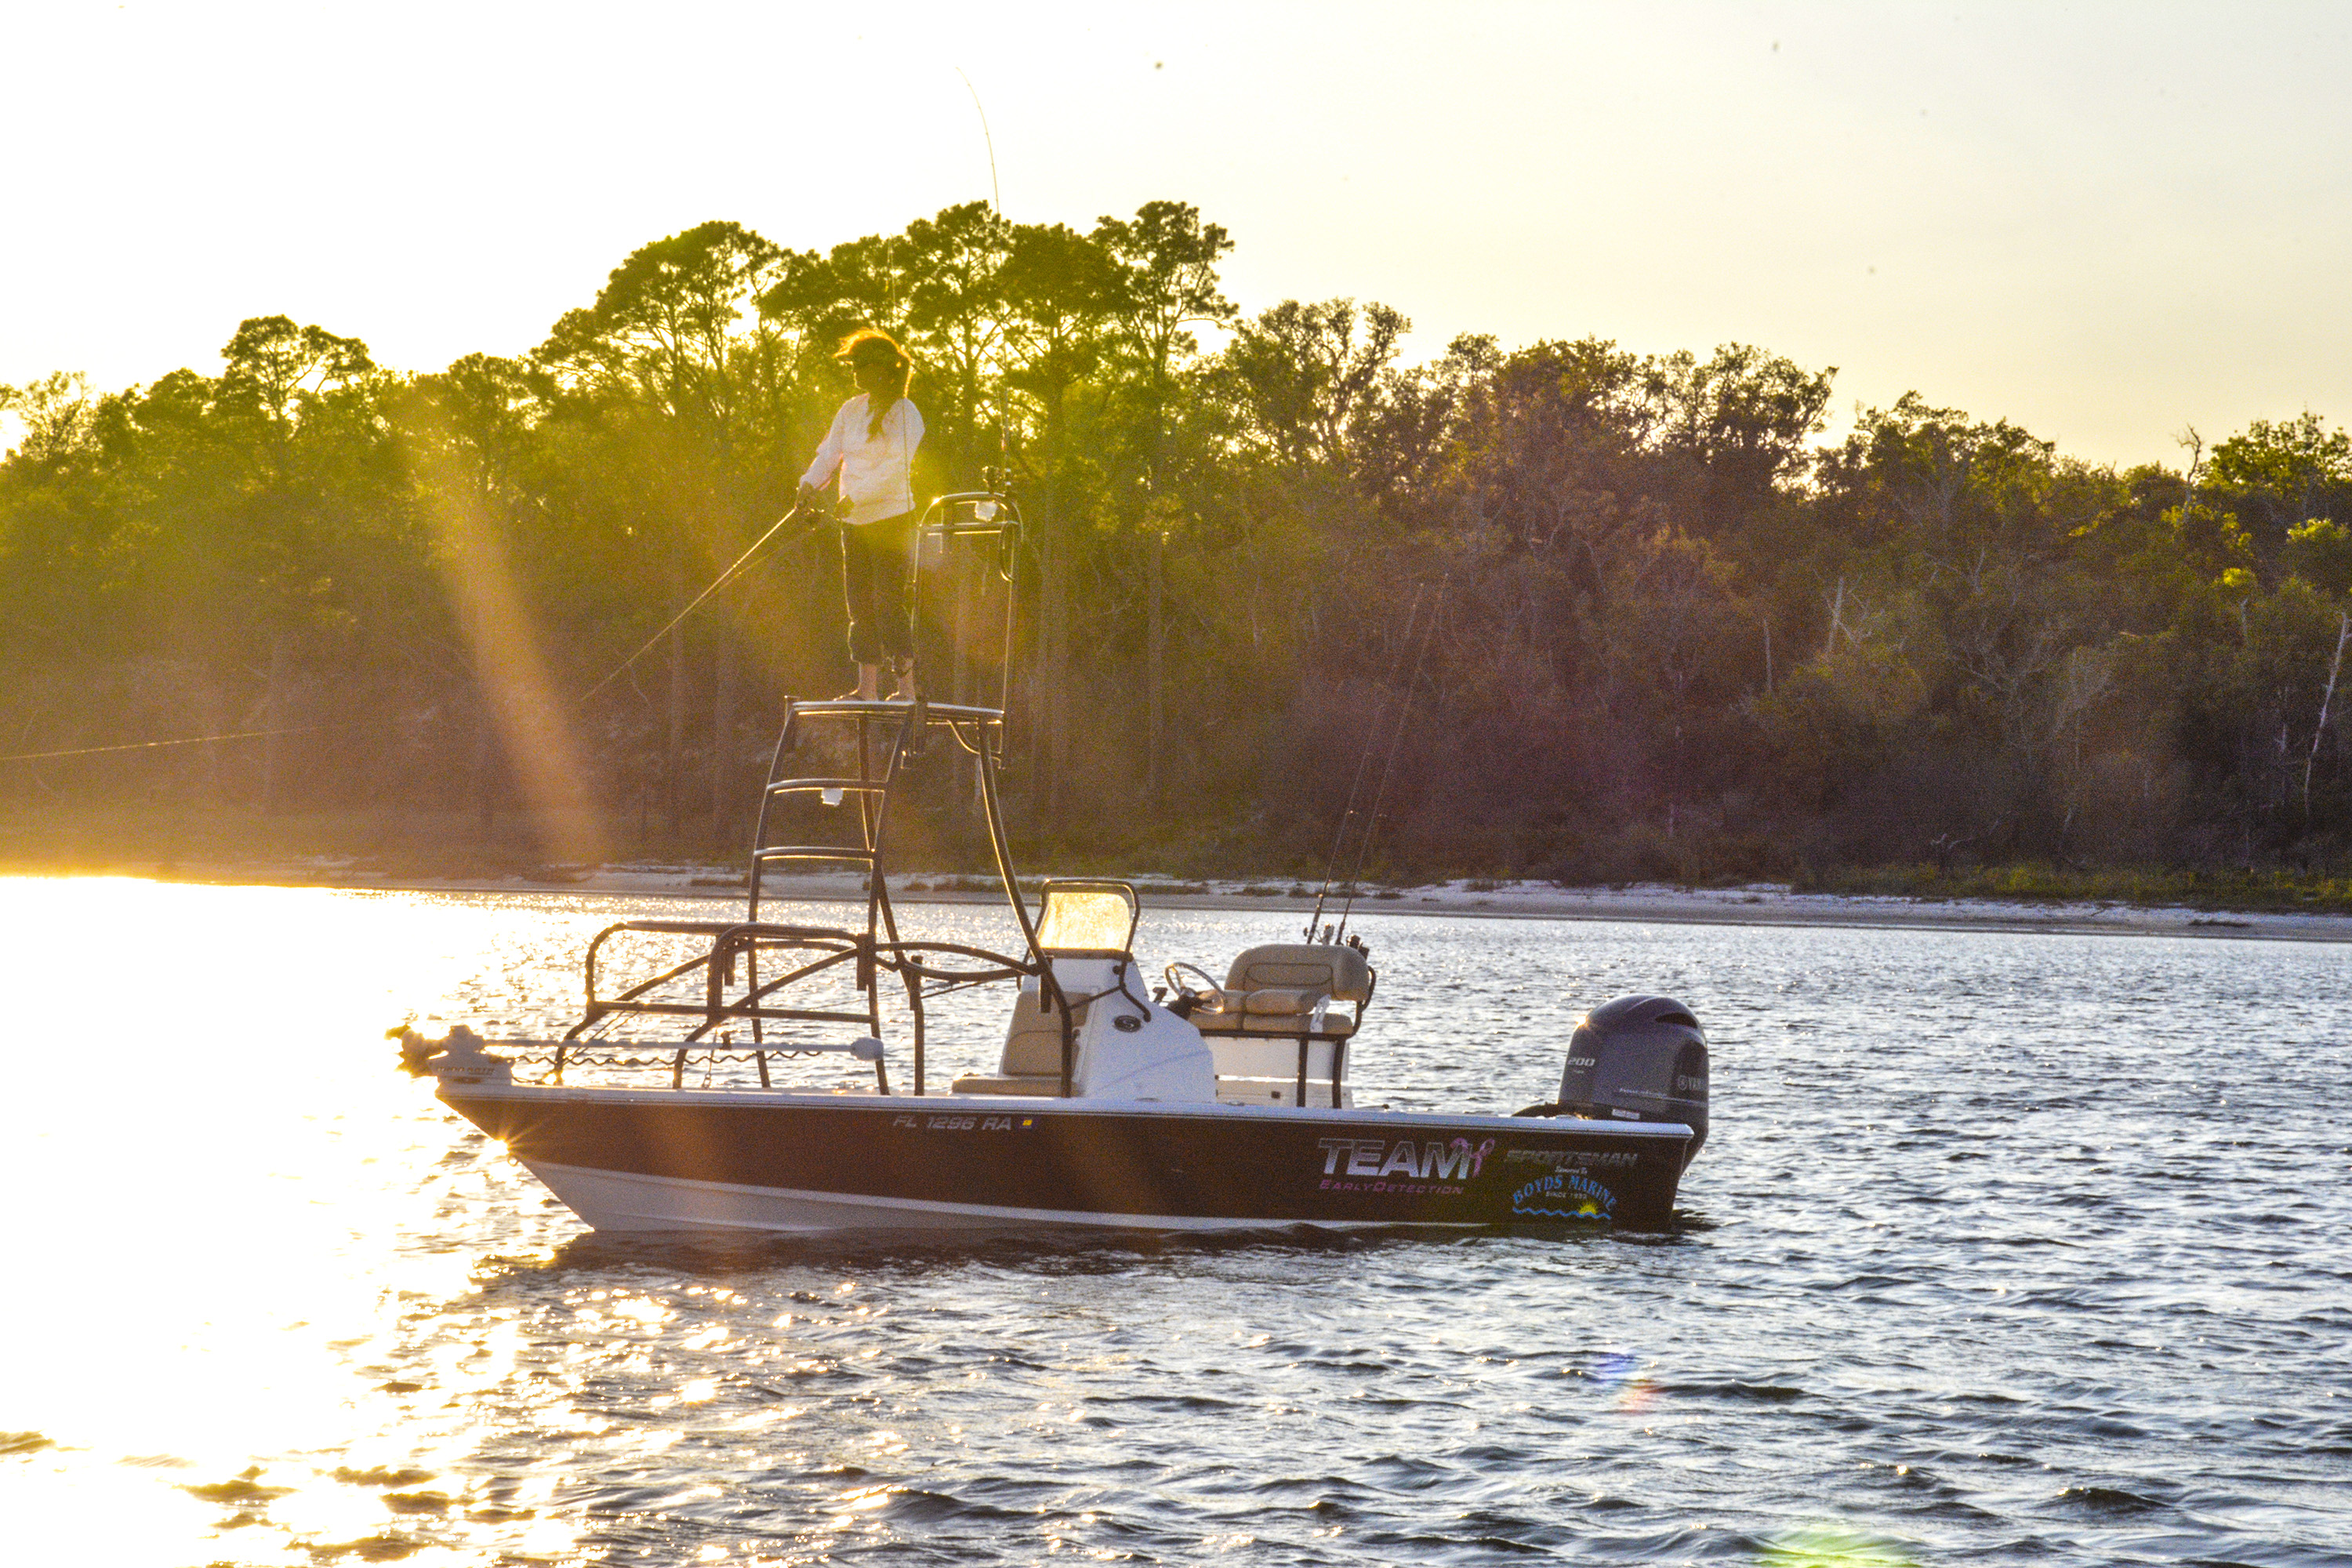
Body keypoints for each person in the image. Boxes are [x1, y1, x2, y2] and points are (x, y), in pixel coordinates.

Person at [798, 328, 925, 701]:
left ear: (882, 369)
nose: (853, 371)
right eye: (852, 364)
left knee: (889, 601)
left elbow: (896, 468)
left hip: (892, 519)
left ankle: (907, 689)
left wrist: (857, 497)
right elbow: (829, 454)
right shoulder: (851, 409)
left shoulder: (906, 413)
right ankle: (866, 689)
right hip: (854, 524)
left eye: (860, 364)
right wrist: (808, 484)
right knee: (860, 603)